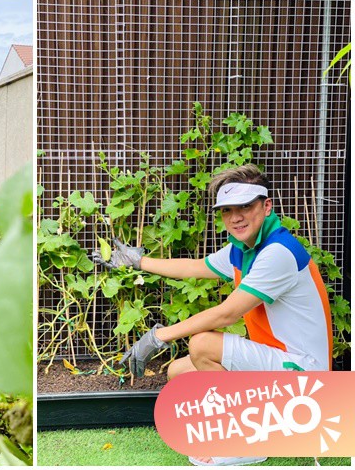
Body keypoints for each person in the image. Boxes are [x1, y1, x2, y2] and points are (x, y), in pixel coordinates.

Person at [92, 164, 332, 466]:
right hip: (281, 361)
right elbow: (194, 267)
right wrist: (137, 260)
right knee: (180, 375)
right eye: (227, 210)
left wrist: (159, 336)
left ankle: (248, 442)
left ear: (267, 205)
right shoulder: (245, 249)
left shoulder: (277, 253)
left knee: (203, 345)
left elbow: (226, 314)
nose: (236, 217)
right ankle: (260, 422)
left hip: (306, 377)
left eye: (245, 206)